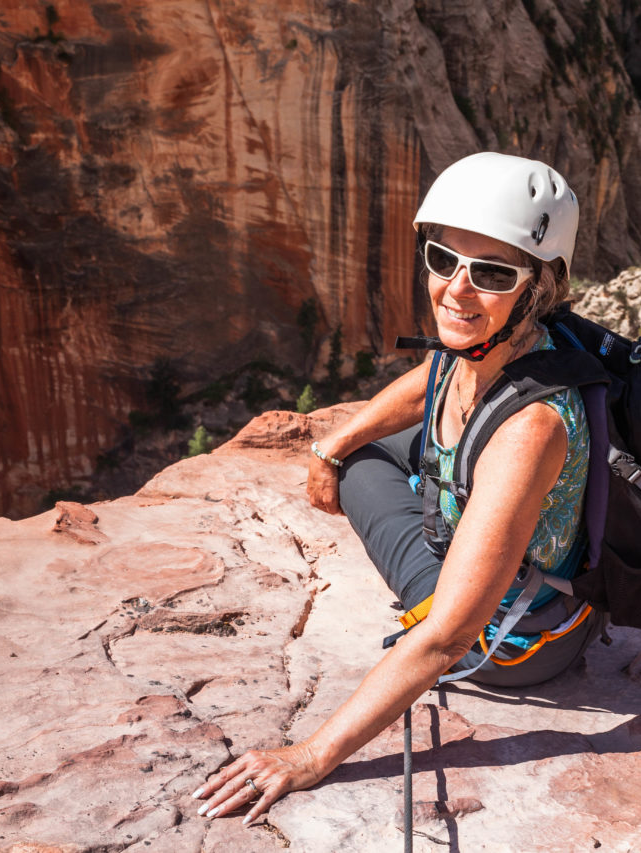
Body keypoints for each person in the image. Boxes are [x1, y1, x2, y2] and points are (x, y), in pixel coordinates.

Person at [191, 152, 603, 825]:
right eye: (444, 260)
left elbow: (445, 638)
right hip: (528, 571)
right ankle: (437, 507)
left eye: (493, 273)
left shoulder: (530, 430)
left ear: (537, 287)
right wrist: (331, 443)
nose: (457, 291)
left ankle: (446, 538)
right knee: (361, 452)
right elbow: (434, 377)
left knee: (366, 476)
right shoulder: (508, 338)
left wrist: (310, 755)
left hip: (512, 641)